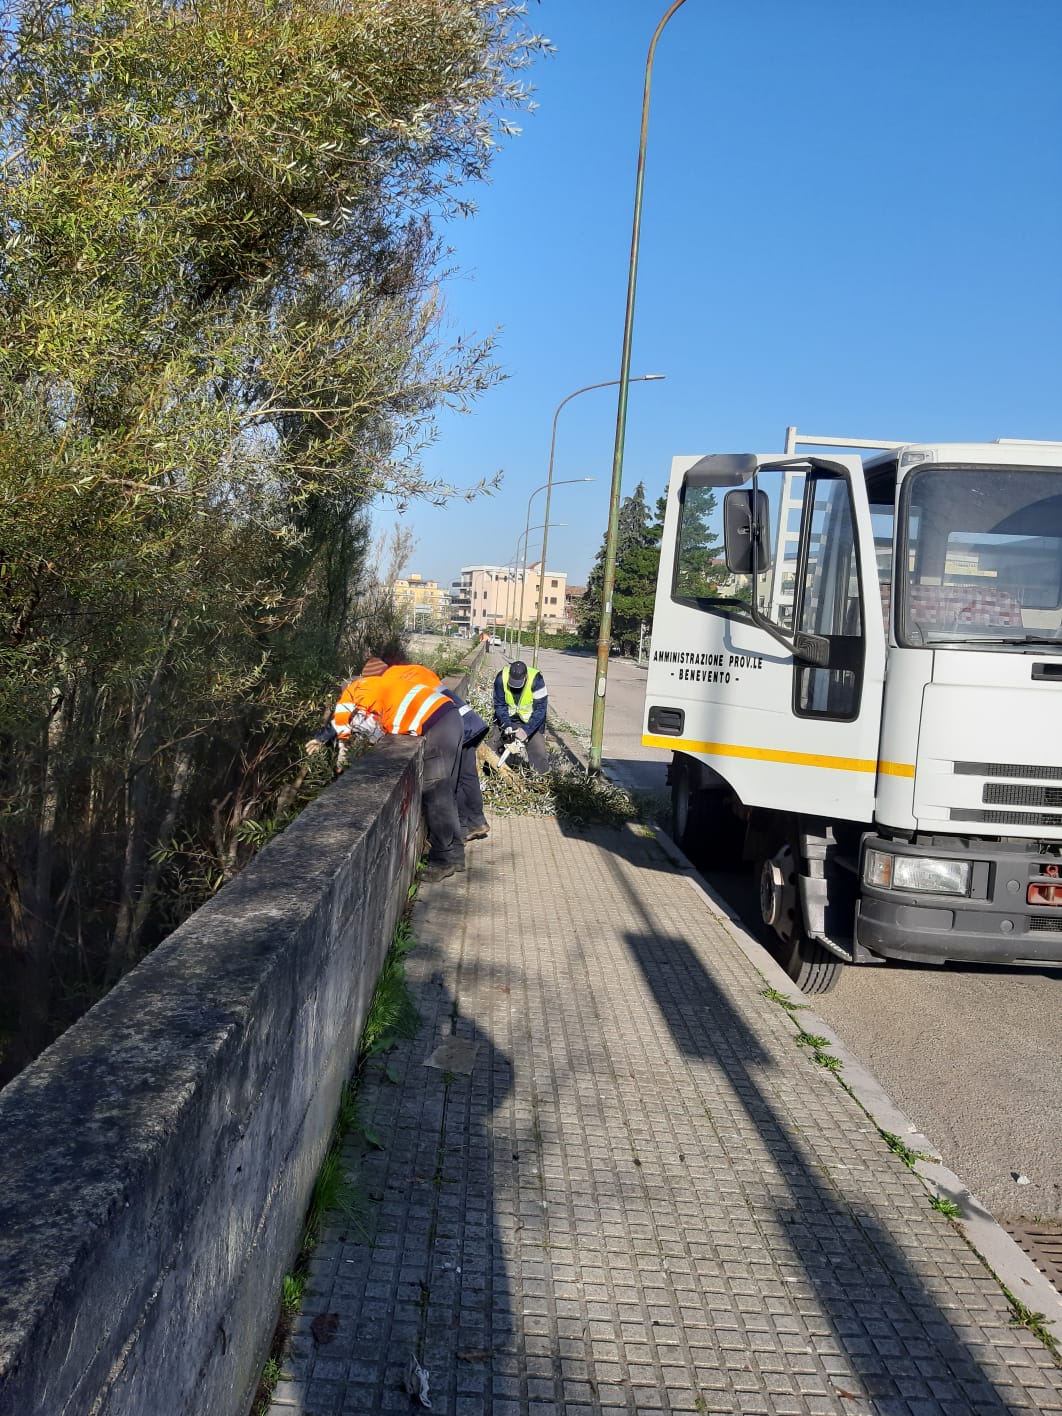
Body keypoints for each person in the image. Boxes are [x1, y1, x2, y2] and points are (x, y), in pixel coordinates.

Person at [306, 657, 466, 882]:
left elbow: (341, 721)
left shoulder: (356, 692)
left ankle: (445, 860)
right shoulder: (375, 690)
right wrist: (322, 739)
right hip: (447, 717)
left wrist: (336, 754)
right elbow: (352, 723)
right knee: (444, 792)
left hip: (436, 723)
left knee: (436, 793)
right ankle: (455, 855)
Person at [442, 688, 490, 842]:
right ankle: (477, 822)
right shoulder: (416, 674)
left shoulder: (390, 684)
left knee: (456, 779)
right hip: (468, 721)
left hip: (456, 725)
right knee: (468, 775)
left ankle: (464, 827)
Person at [487, 659, 549, 774]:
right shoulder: (501, 678)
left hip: (530, 722)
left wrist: (526, 731)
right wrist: (507, 726)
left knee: (539, 754)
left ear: (525, 677)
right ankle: (489, 773)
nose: (515, 687)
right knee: (491, 747)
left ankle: (539, 780)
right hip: (507, 719)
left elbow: (541, 709)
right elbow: (499, 705)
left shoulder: (537, 680)